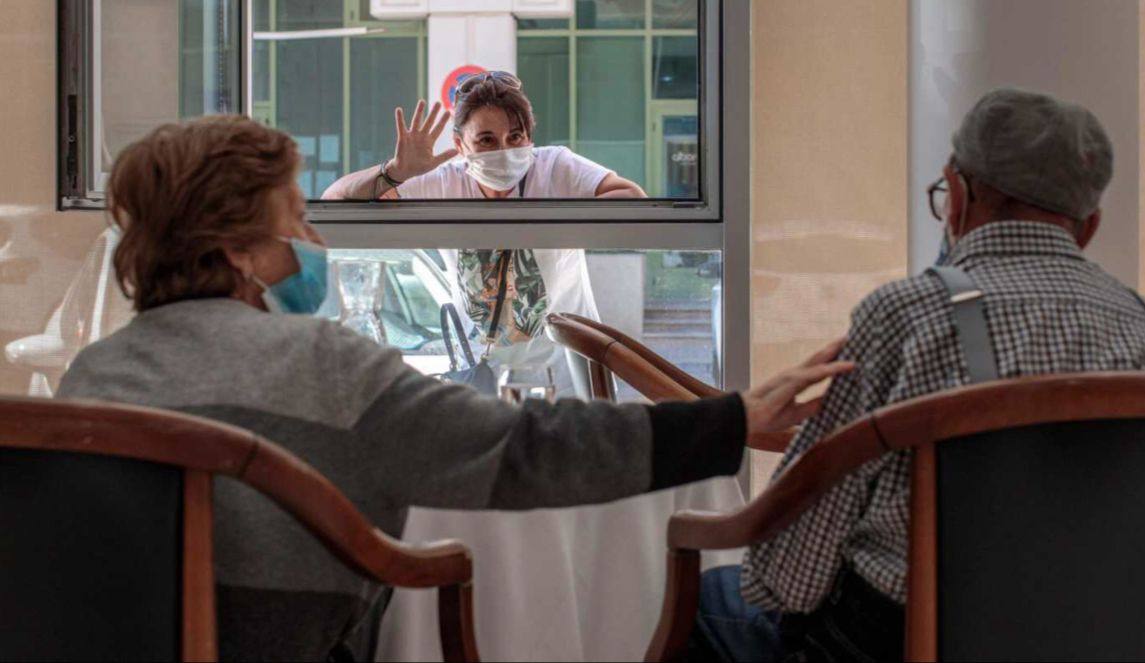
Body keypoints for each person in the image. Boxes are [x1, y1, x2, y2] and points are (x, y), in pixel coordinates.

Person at [57, 115, 851, 661]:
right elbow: (525, 450)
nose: (313, 241)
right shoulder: (325, 366)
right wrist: (730, 418)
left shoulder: (93, 378)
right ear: (236, 250)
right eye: (295, 221)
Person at [690, 87, 1145, 662]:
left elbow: (787, 580)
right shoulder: (1138, 325)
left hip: (903, 640)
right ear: (1089, 226)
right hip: (1097, 635)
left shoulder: (906, 314)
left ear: (955, 195)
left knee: (708, 601)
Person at [323, 72, 645, 396]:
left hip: (565, 376)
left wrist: (555, 220)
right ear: (460, 145)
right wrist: (393, 173)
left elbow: (632, 199)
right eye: (486, 140)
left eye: (515, 137)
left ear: (530, 139)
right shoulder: (443, 182)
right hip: (483, 378)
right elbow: (334, 203)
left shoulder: (555, 167)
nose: (503, 150)